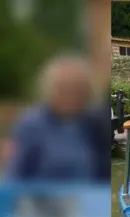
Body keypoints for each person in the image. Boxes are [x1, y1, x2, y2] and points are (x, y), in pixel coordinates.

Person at [4, 53, 108, 182]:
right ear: (49, 90)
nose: (71, 96)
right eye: (63, 89)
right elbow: (15, 177)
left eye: (77, 89)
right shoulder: (31, 125)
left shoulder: (94, 124)